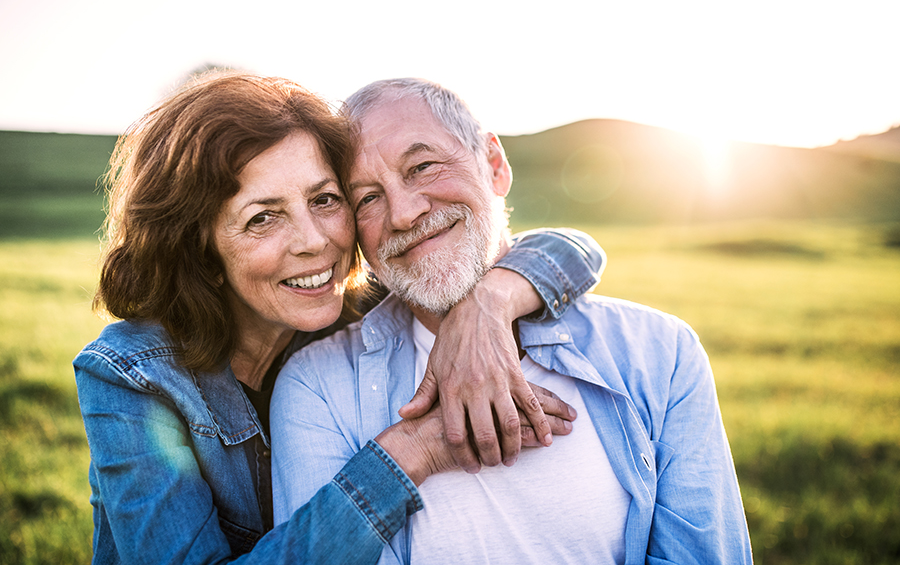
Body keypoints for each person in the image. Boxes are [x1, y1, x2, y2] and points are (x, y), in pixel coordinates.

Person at [72, 71, 605, 564]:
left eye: (326, 199)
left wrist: (486, 306)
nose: (316, 242)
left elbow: (570, 247)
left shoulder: (360, 309)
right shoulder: (131, 377)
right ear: (199, 249)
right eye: (263, 218)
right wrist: (409, 452)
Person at [271, 78, 754, 564]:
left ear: (495, 166)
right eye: (367, 199)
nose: (404, 212)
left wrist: (488, 305)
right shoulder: (318, 386)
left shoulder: (660, 352)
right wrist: (414, 448)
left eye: (422, 167)